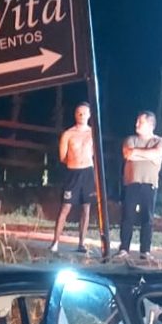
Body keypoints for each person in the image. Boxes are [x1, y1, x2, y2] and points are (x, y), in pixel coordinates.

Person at [116, 111, 162, 262]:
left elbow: (157, 153)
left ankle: (145, 250)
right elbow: (128, 154)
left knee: (147, 218)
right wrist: (150, 156)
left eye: (141, 122)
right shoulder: (130, 139)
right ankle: (124, 248)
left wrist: (138, 153)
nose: (136, 124)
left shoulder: (161, 141)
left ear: (151, 125)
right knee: (127, 216)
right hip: (131, 182)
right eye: (137, 121)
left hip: (150, 183)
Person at [50, 102, 97, 253]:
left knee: (86, 207)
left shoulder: (93, 133)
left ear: (89, 115)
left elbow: (95, 154)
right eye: (79, 113)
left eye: (84, 113)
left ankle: (81, 243)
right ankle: (55, 242)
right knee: (65, 207)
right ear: (75, 114)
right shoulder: (68, 134)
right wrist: (74, 162)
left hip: (88, 172)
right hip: (73, 172)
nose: (81, 116)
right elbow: (62, 157)